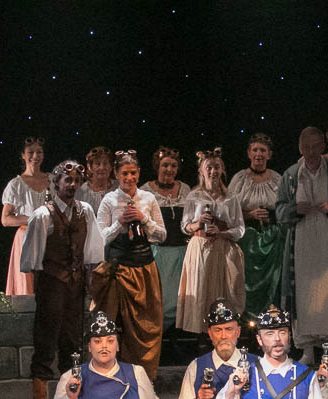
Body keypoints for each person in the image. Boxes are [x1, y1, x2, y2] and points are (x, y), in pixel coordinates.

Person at [20, 160, 106, 399]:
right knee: (46, 338)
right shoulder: (43, 215)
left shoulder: (85, 211)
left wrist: (87, 277)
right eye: (67, 180)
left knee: (73, 341)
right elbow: (32, 260)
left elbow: (92, 250)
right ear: (56, 183)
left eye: (76, 181)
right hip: (52, 284)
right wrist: (44, 281)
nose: (72, 185)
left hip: (76, 285)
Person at [275, 126, 328, 362]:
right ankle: (307, 349)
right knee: (303, 295)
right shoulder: (291, 175)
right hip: (301, 246)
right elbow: (279, 211)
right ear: (300, 148)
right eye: (306, 147)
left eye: (315, 147)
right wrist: (294, 210)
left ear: (323, 146)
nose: (311, 152)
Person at [92, 150, 167, 380]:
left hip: (144, 269)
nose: (129, 178)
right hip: (119, 270)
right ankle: (115, 376)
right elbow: (100, 238)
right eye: (124, 173)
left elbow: (162, 235)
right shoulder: (109, 200)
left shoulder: (148, 198)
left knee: (148, 326)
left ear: (139, 173)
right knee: (116, 325)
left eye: (133, 173)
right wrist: (120, 223)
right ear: (116, 174)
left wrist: (144, 219)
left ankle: (144, 378)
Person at [178, 148, 246, 333]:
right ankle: (201, 335)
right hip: (200, 248)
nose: (213, 171)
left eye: (216, 167)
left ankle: (222, 332)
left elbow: (240, 229)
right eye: (209, 167)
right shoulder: (194, 196)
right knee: (201, 291)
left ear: (222, 169)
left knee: (223, 292)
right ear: (201, 171)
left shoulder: (230, 197)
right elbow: (184, 226)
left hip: (223, 248)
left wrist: (222, 233)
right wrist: (198, 223)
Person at [228, 134, 284, 317]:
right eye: (255, 150)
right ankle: (246, 320)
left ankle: (271, 317)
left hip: (271, 239)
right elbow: (228, 211)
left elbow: (285, 208)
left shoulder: (277, 179)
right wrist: (249, 214)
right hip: (247, 239)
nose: (258, 154)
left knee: (272, 280)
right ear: (248, 153)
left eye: (263, 150)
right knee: (246, 279)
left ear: (269, 154)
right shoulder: (240, 179)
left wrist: (272, 218)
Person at [141, 146, 194, 330]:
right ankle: (157, 337)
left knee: (180, 298)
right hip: (158, 253)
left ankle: (176, 337)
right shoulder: (146, 191)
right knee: (159, 298)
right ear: (157, 166)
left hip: (181, 252)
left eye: (173, 165)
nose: (169, 169)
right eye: (165, 165)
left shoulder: (185, 189)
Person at [2, 136, 50, 295]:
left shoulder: (52, 180)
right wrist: (34, 218)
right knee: (27, 286)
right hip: (26, 237)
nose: (35, 156)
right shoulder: (16, 184)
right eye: (30, 152)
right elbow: (6, 219)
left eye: (39, 152)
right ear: (23, 155)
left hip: (49, 237)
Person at [75, 146, 116, 212]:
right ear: (90, 167)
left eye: (105, 164)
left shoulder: (119, 187)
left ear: (111, 167)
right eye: (97, 164)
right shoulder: (81, 191)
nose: (102, 168)